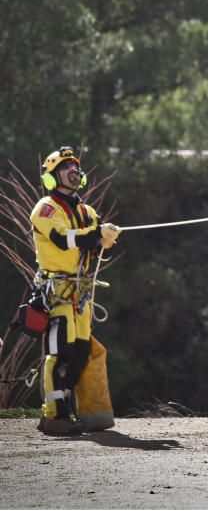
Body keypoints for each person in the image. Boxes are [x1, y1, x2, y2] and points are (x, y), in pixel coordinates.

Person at [29, 146, 120, 434]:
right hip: (57, 289)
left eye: (74, 167)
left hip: (81, 293)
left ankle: (68, 410)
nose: (73, 170)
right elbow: (61, 238)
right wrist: (95, 234)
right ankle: (53, 415)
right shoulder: (45, 208)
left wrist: (105, 237)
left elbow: (93, 242)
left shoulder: (87, 211)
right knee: (60, 352)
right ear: (52, 177)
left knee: (80, 352)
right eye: (65, 167)